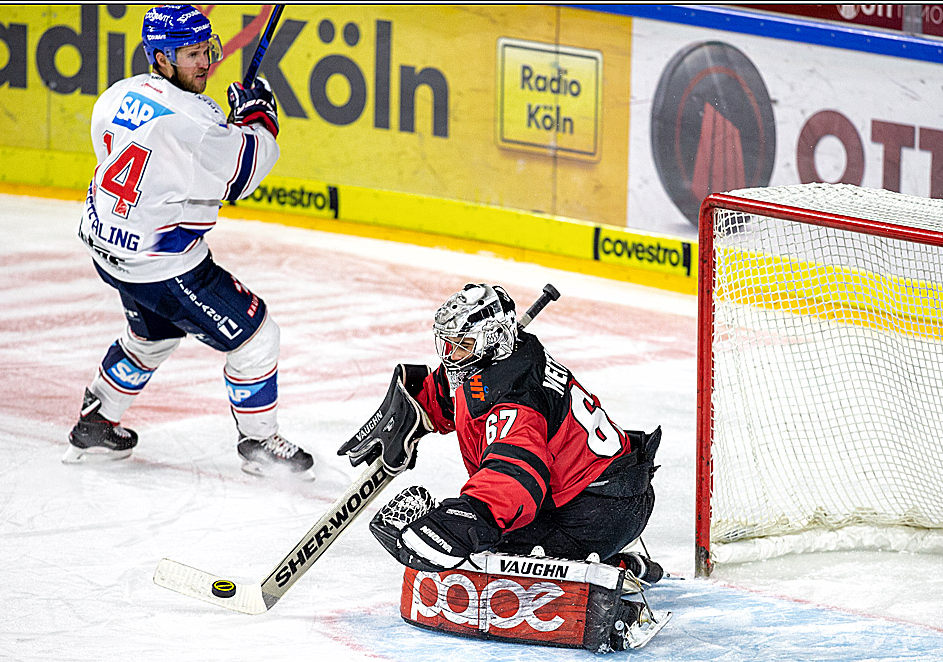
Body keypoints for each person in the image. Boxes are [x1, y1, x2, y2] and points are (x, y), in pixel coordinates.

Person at [63, 5, 313, 478]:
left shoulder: (118, 94)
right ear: (161, 57)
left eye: (206, 51)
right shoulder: (197, 120)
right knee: (258, 339)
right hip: (163, 267)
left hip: (106, 247)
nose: (205, 63)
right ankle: (259, 445)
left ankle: (96, 424)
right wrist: (258, 121)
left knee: (153, 335)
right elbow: (244, 174)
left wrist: (226, 131)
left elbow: (142, 159)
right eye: (192, 54)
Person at [339, 283, 662, 581]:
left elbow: (516, 473)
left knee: (482, 560)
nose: (450, 356)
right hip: (601, 498)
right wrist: (416, 406)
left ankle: (607, 566)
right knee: (483, 541)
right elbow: (466, 390)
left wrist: (468, 517)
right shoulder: (512, 355)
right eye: (447, 344)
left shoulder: (515, 400)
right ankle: (600, 559)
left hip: (592, 517)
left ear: (494, 338)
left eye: (462, 345)